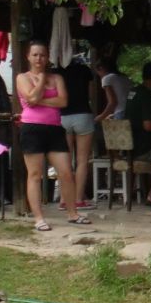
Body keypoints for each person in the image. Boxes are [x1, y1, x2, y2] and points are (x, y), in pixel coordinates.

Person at [15, 41, 90, 231]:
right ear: (28, 57)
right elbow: (30, 98)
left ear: (48, 57)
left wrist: (38, 99)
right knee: (35, 174)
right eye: (35, 55)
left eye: (42, 55)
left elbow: (63, 101)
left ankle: (72, 214)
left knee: (66, 172)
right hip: (32, 128)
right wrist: (40, 81)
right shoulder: (22, 77)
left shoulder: (57, 78)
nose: (39, 58)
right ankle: (39, 218)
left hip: (55, 128)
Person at [57, 55, 96, 208]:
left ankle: (63, 199)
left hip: (62, 116)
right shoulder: (84, 70)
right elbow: (91, 92)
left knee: (64, 160)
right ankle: (79, 199)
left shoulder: (57, 72)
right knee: (82, 161)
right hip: (83, 114)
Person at [94, 54, 131, 123]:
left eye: (98, 72)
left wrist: (101, 116)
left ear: (101, 68)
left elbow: (113, 102)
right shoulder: (125, 77)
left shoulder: (107, 78)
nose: (99, 75)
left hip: (121, 114)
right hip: (131, 112)